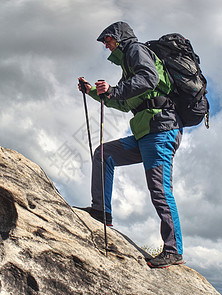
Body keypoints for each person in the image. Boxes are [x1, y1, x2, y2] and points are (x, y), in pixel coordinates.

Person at [77, 21, 184, 268]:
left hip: (161, 130)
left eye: (108, 40)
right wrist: (94, 92)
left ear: (119, 38)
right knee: (104, 154)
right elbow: (125, 103)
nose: (106, 45)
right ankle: (101, 211)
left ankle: (174, 250)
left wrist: (113, 90)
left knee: (159, 189)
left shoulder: (136, 50)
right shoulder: (128, 64)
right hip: (144, 131)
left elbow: (149, 78)